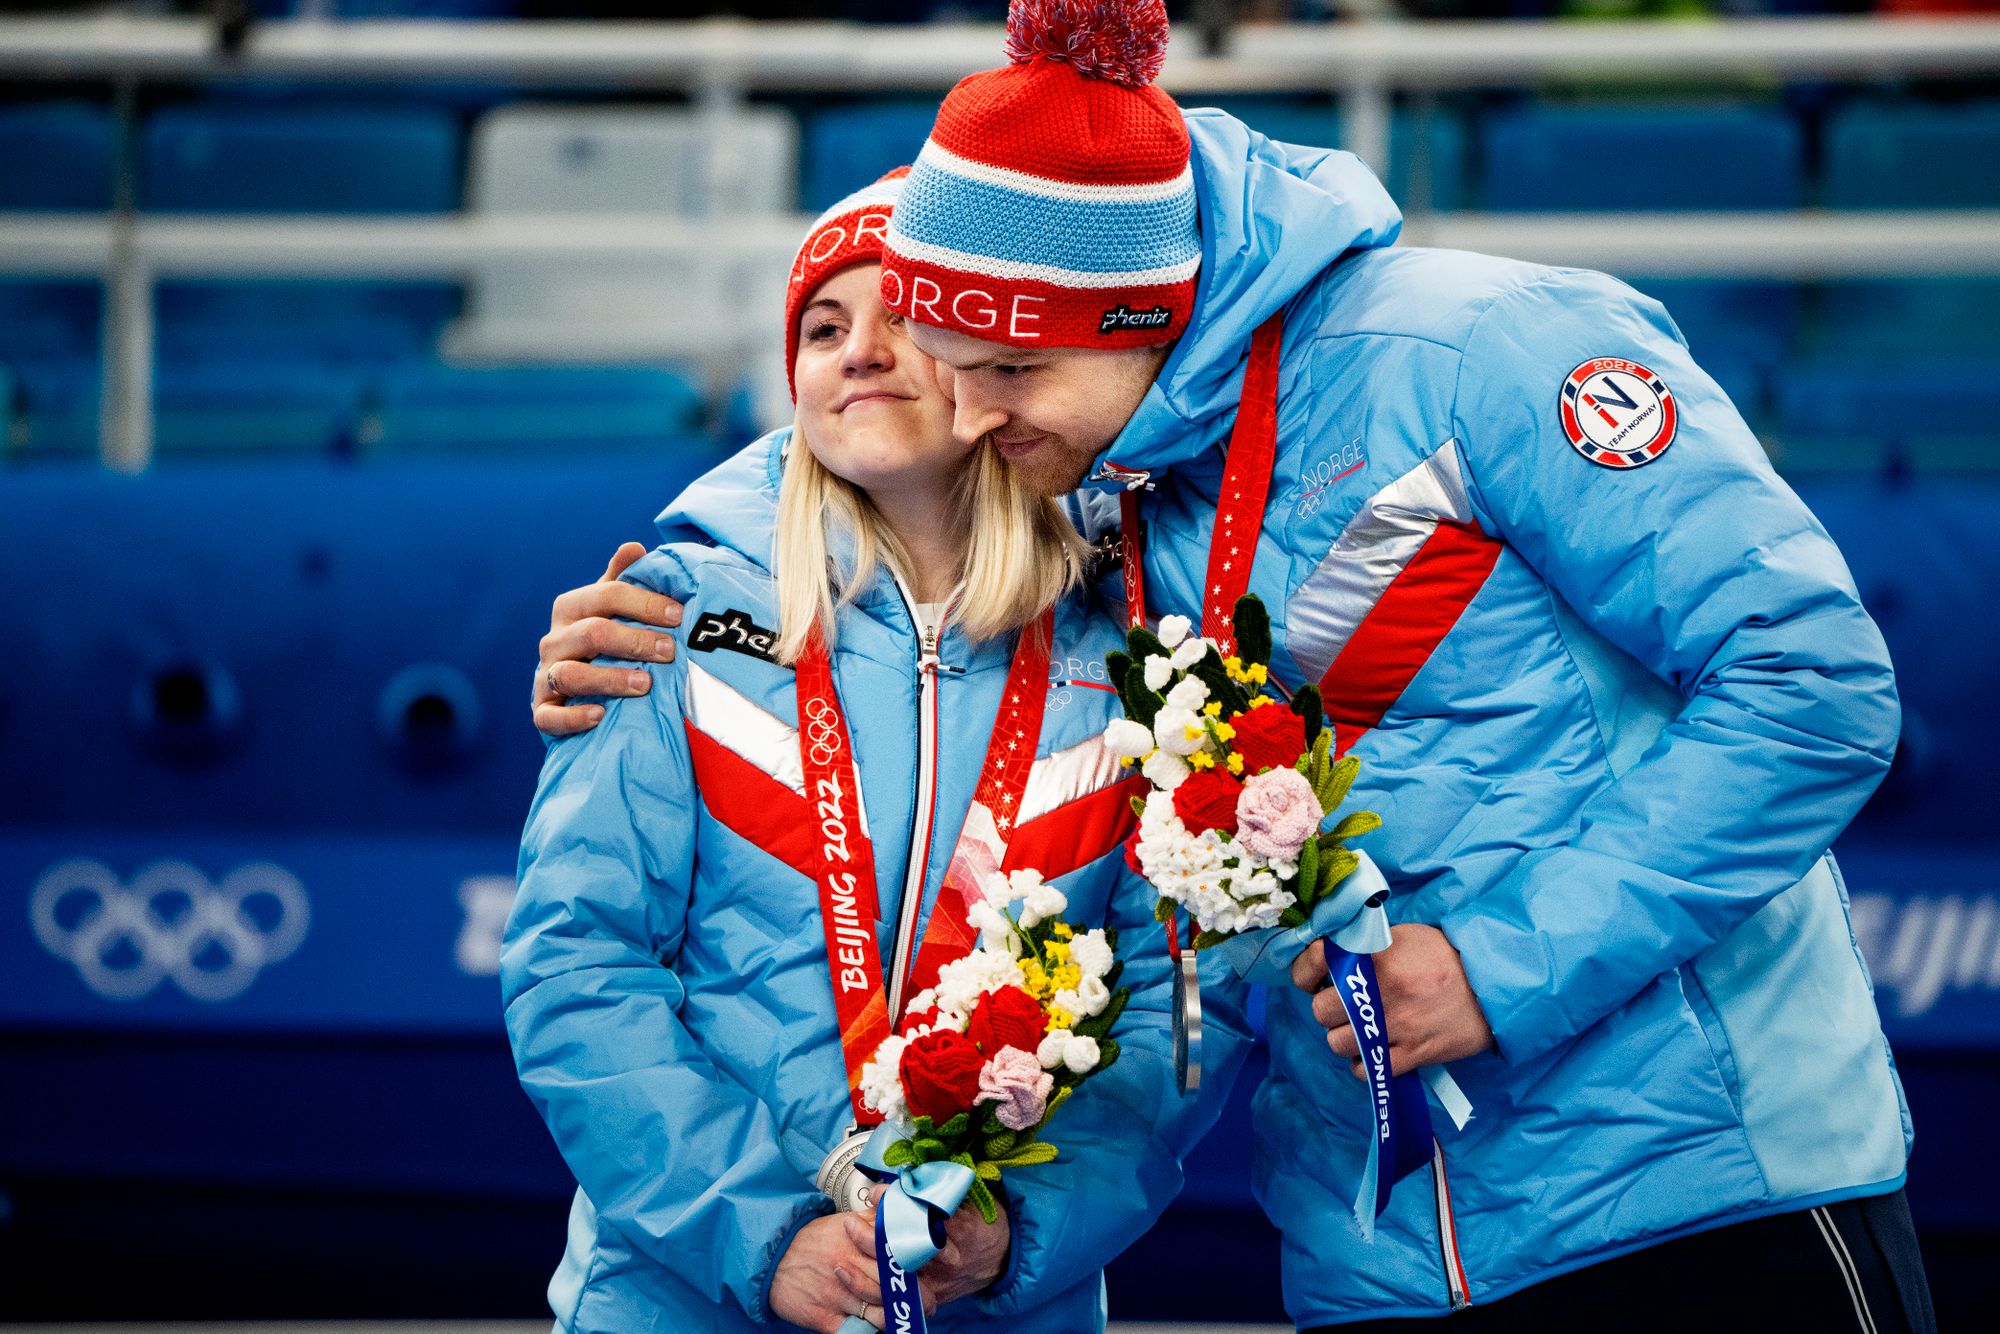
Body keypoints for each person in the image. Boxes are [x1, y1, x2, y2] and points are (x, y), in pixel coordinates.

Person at [536, 3, 1934, 1331]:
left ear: (1130, 316)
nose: (963, 415)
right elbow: (860, 472)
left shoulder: (1481, 351)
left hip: (1698, 1200)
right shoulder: (1091, 472)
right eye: (946, 364)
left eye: (1000, 374)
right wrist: (666, 584)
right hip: (1375, 1252)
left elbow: (1812, 686)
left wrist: (1501, 972)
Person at [504, 170, 1247, 1334]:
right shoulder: (671, 617)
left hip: (1000, 1308)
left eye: (901, 314)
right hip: (683, 1299)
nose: (857, 350)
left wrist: (1018, 1230)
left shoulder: (1132, 650)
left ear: (989, 356)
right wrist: (762, 1238)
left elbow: (1175, 1015)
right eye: (820, 326)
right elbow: (577, 967)